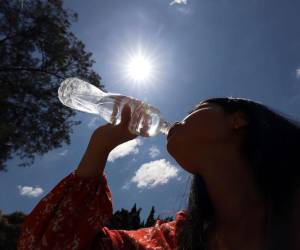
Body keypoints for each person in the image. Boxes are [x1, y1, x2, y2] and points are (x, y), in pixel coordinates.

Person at [17, 97, 300, 250]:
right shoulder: (172, 240)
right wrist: (100, 146)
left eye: (197, 108)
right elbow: (47, 244)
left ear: (237, 119)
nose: (180, 119)